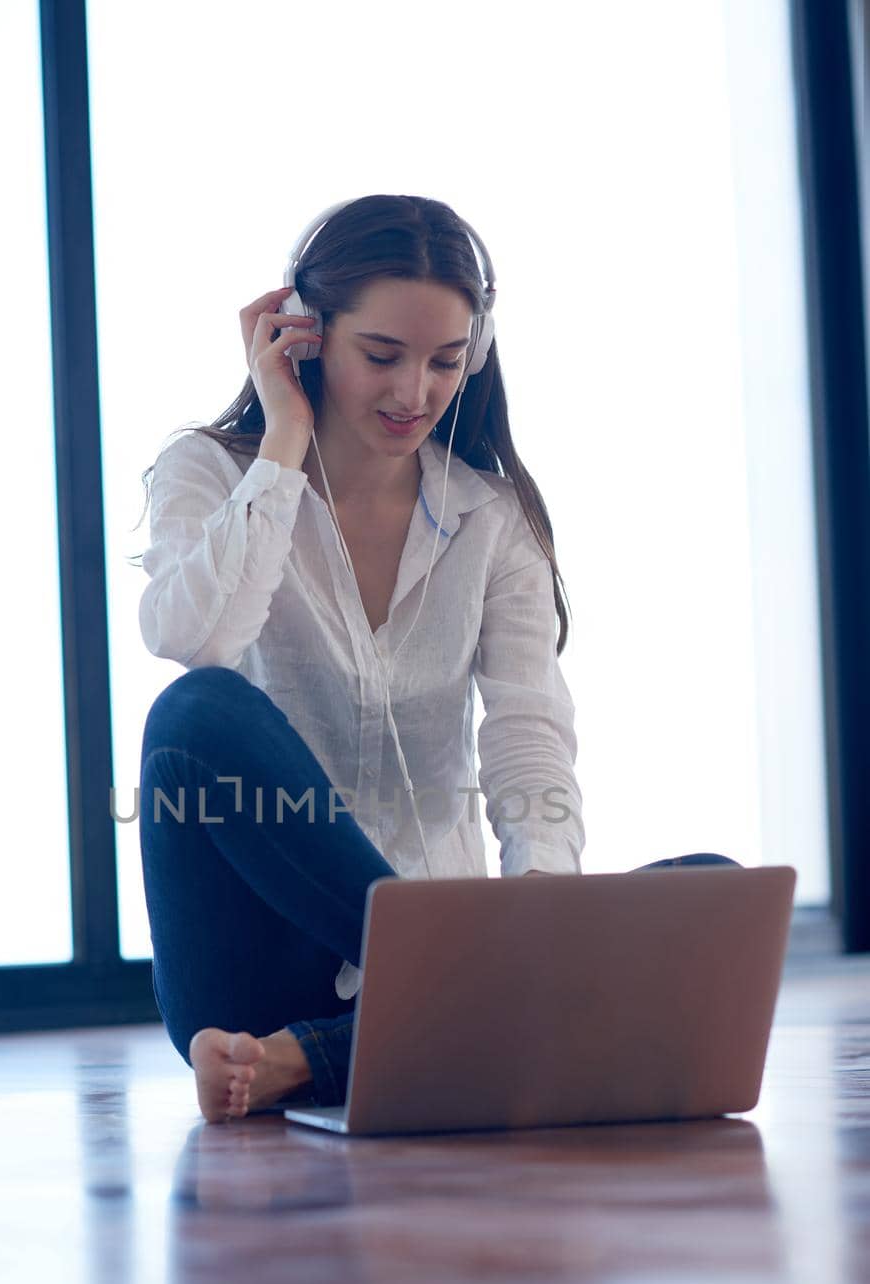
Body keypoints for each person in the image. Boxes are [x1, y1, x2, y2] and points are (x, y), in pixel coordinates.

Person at [131, 194, 740, 1126]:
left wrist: (542, 906)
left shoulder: (491, 522)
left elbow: (528, 734)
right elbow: (196, 638)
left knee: (715, 887)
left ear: (477, 354)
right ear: (305, 335)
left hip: (426, 959)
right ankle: (484, 1002)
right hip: (256, 966)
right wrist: (286, 444)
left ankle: (319, 1056)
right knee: (193, 715)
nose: (414, 392)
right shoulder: (213, 473)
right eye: (382, 355)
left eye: (446, 361)